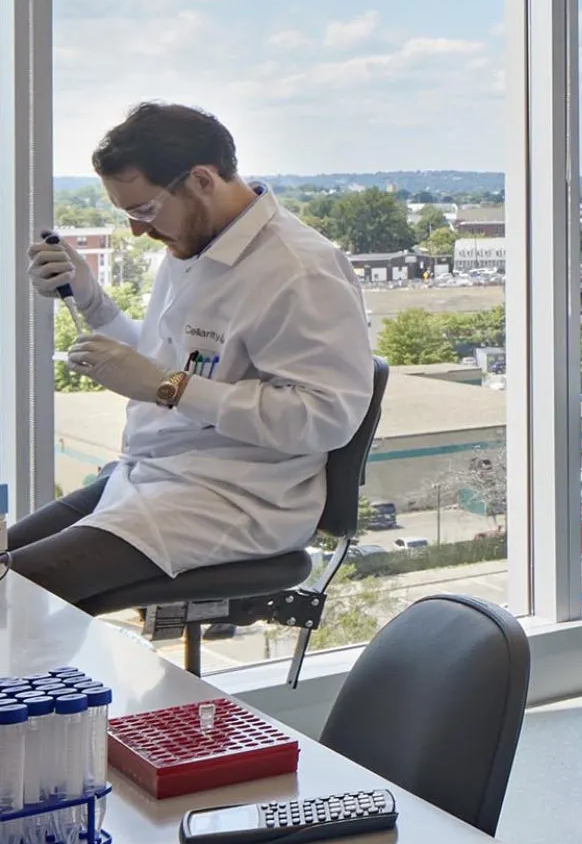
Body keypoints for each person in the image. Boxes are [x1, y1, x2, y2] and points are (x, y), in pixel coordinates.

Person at [10, 103, 374, 614]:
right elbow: (170, 365)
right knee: (6, 564)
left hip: (237, 497)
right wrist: (91, 301)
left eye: (144, 210)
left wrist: (170, 387)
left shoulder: (299, 271)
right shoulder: (194, 245)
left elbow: (325, 418)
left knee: (12, 596)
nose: (140, 231)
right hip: (156, 472)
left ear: (202, 179)